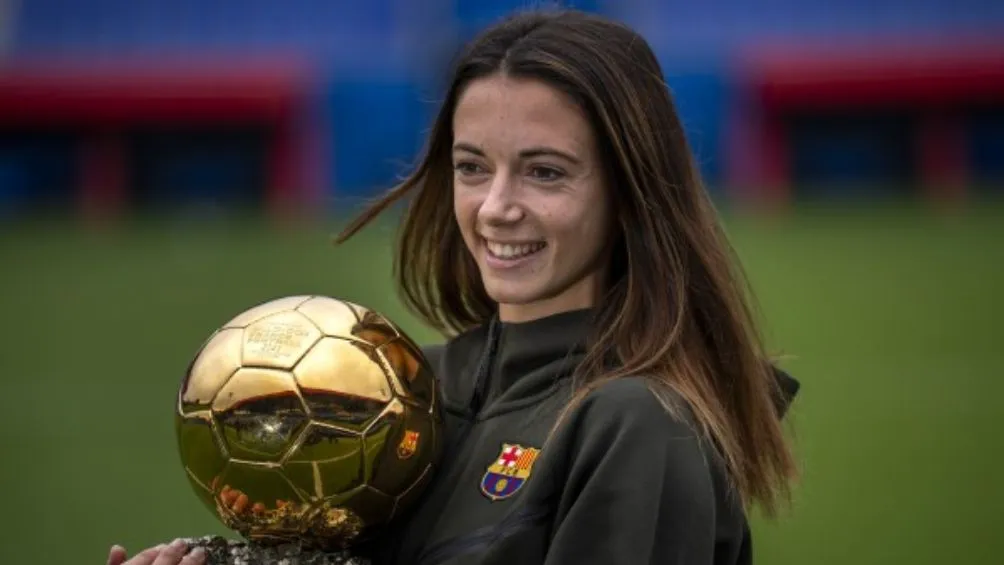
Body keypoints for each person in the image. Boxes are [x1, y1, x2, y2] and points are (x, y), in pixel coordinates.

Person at [108, 8, 800, 565]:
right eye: (473, 167)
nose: (496, 206)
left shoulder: (638, 423)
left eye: (545, 172)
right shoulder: (414, 387)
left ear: (629, 191)